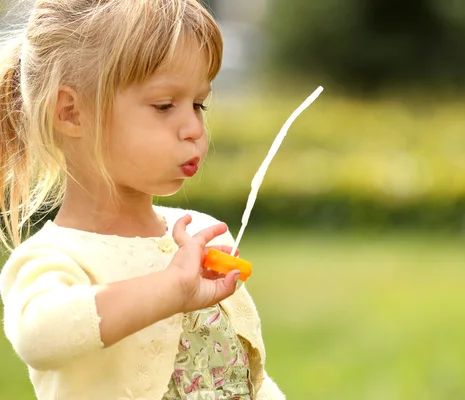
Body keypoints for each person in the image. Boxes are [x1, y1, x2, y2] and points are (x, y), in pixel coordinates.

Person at [0, 1, 285, 399]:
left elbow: (242, 377)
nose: (194, 129)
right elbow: (38, 335)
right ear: (71, 112)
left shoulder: (195, 233)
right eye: (164, 105)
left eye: (198, 104)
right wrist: (170, 289)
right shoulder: (56, 257)